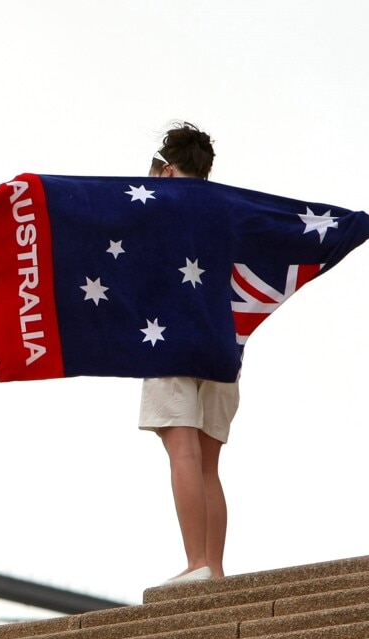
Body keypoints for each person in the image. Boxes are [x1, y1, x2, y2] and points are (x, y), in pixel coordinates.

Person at [138, 121, 231, 586]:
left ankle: (195, 563)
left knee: (182, 453)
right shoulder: (229, 209)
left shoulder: (154, 210)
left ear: (169, 171)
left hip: (169, 338)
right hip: (223, 342)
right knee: (208, 462)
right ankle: (212, 567)